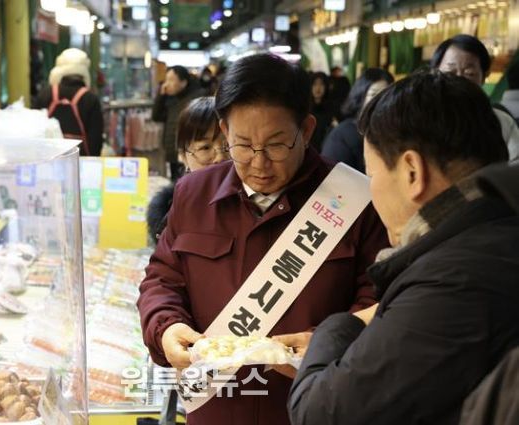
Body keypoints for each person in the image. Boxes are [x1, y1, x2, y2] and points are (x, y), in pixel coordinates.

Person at [138, 53, 389, 425]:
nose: (258, 163)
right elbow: (162, 278)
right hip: (215, 408)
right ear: (225, 131)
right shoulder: (193, 193)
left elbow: (379, 300)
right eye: (242, 145)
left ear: (306, 130)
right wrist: (166, 326)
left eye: (276, 145)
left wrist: (327, 344)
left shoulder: (354, 199)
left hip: (312, 407)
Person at [288, 70, 519, 425]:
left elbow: (319, 412)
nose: (372, 190)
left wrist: (337, 328)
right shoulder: (497, 233)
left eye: (372, 174)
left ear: (412, 171)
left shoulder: (453, 282)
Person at [147, 96, 229, 243]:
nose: (220, 157)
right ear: (183, 156)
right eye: (205, 148)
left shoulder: (257, 205)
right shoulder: (169, 215)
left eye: (228, 145)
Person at [431, 34, 519, 162]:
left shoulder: (502, 122)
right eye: (450, 72)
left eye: (469, 73)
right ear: (434, 73)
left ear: (484, 76)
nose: (459, 80)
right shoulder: (418, 120)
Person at [33, 48, 104, 156]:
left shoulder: (45, 94)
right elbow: (96, 139)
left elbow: (35, 132)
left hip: (48, 159)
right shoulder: (90, 99)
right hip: (80, 161)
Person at [321, 68, 393, 173]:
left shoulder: (393, 133)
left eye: (386, 95)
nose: (381, 101)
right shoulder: (344, 135)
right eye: (373, 94)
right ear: (361, 96)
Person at [152, 65, 204, 181]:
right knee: (174, 184)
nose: (166, 84)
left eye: (171, 80)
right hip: (172, 153)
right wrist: (161, 96)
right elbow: (156, 116)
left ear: (183, 82)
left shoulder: (197, 98)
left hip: (189, 154)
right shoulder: (170, 99)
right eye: (166, 80)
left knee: (188, 184)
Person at [308, 72, 334, 152]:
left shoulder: (331, 108)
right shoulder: (306, 109)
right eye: (315, 84)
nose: (318, 88)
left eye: (321, 84)